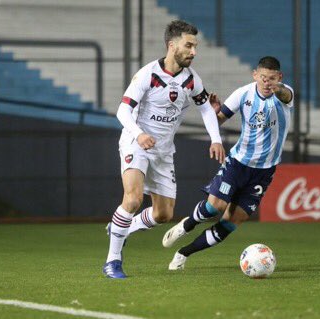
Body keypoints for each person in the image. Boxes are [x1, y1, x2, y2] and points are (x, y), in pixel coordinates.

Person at [103, 20, 226, 279]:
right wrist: (139, 134)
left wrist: (216, 139)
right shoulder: (147, 74)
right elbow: (123, 110)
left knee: (163, 214)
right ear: (172, 46)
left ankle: (122, 228)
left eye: (195, 46)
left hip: (163, 151)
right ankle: (112, 261)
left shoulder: (192, 80)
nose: (194, 51)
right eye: (189, 45)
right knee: (133, 199)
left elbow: (205, 107)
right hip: (135, 142)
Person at [161, 56, 294, 270]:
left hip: (264, 172)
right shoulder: (243, 94)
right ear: (255, 75)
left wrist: (277, 87)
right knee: (215, 207)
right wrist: (215, 113)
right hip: (238, 163)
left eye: (272, 78)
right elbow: (220, 119)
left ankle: (183, 254)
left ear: (280, 77)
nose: (267, 82)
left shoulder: (284, 94)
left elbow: (286, 95)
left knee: (231, 222)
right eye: (263, 78)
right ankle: (186, 225)